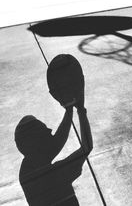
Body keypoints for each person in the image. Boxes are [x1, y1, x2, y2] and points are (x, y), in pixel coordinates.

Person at [15, 55, 93, 205]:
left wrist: (69, 109)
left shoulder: (26, 174)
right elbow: (86, 147)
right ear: (38, 144)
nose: (51, 130)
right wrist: (80, 110)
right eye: (46, 132)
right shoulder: (57, 174)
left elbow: (53, 145)